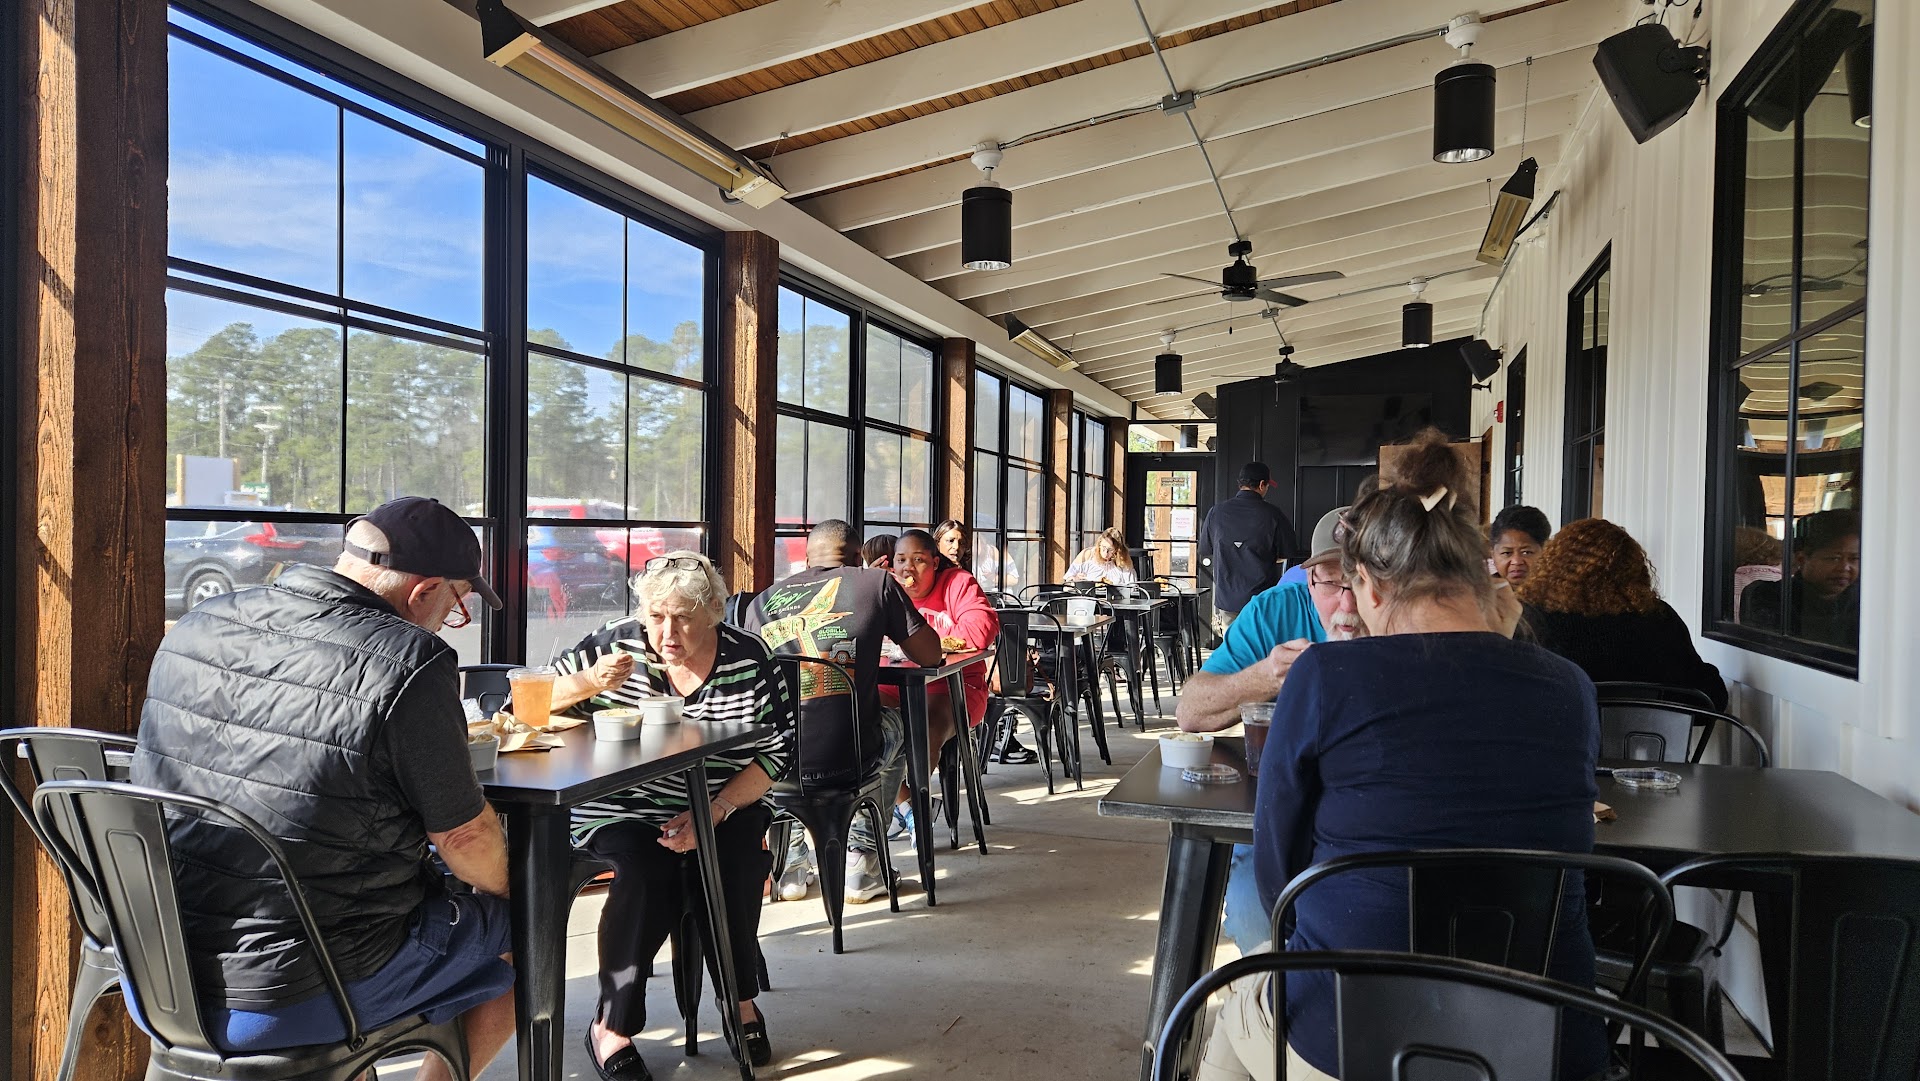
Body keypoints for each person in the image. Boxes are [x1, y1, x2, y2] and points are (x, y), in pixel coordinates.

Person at [1199, 430, 1601, 1081]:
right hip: (1544, 1046)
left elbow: (1280, 882)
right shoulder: (1570, 687)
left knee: (1238, 1004)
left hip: (1356, 1037)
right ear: (1482, 577)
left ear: (1372, 587)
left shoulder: (1324, 677)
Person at [131, 497, 513, 1077]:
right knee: (529, 920)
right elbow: (464, 839)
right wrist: (515, 886)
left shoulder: (202, 620)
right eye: (457, 606)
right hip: (294, 992)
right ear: (426, 591)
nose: (448, 621)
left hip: (160, 968)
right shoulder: (409, 661)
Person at [549, 552, 788, 1077]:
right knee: (644, 867)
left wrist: (716, 810)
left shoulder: (749, 657)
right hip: (621, 805)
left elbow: (778, 751)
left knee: (737, 861)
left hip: (724, 800)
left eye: (682, 618)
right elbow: (530, 705)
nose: (666, 632)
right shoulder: (613, 645)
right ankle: (612, 1025)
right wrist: (590, 682)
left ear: (714, 614)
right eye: (656, 616)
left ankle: (739, 1001)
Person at [1175, 532, 1367, 956]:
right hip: (1277, 814)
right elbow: (1190, 712)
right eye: (1331, 582)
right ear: (1309, 578)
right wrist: (1265, 676)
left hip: (1369, 820)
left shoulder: (1404, 619)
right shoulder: (1275, 613)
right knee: (1254, 914)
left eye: (1360, 580)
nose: (1348, 603)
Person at [746, 520, 942, 903]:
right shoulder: (875, 583)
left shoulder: (761, 602)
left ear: (807, 560)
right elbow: (930, 655)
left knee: (803, 735)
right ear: (857, 557)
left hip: (772, 763)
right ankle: (863, 859)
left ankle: (791, 865)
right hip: (847, 760)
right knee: (902, 726)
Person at [1517, 518, 1729, 710]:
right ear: (1633, 568)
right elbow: (1711, 699)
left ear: (1553, 565)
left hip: (1558, 738)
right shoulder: (1658, 617)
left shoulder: (1530, 620)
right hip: (1647, 739)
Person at [881, 530, 1009, 799]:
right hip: (894, 686)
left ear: (935, 562)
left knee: (924, 730)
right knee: (856, 721)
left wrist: (922, 642)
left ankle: (912, 809)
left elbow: (982, 629)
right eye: (901, 560)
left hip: (955, 687)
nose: (908, 568)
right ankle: (904, 804)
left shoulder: (957, 583)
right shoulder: (885, 587)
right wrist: (867, 587)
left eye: (918, 560)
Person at [1198, 462, 1305, 636]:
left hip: (1228, 600)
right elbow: (1289, 553)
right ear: (1262, 485)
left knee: (1233, 647)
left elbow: (1206, 549)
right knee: (1261, 646)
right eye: (1267, 485)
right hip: (1262, 600)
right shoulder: (1273, 514)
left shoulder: (1216, 512)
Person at [1739, 509, 1860, 649]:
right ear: (1802, 559)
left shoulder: (1865, 602)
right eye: (1834, 558)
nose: (1845, 567)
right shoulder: (1769, 596)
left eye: (1854, 559)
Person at [1490, 504, 1553, 584]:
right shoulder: (1480, 590)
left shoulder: (1562, 589)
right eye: (1507, 553)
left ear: (1547, 551)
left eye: (1526, 552)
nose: (1516, 562)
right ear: (1493, 555)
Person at [1064, 526, 1138, 587]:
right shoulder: (1087, 555)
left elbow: (1132, 586)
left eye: (1110, 550)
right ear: (1099, 544)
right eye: (1103, 548)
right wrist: (1075, 579)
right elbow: (1068, 579)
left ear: (1116, 550)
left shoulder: (1122, 560)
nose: (1106, 553)